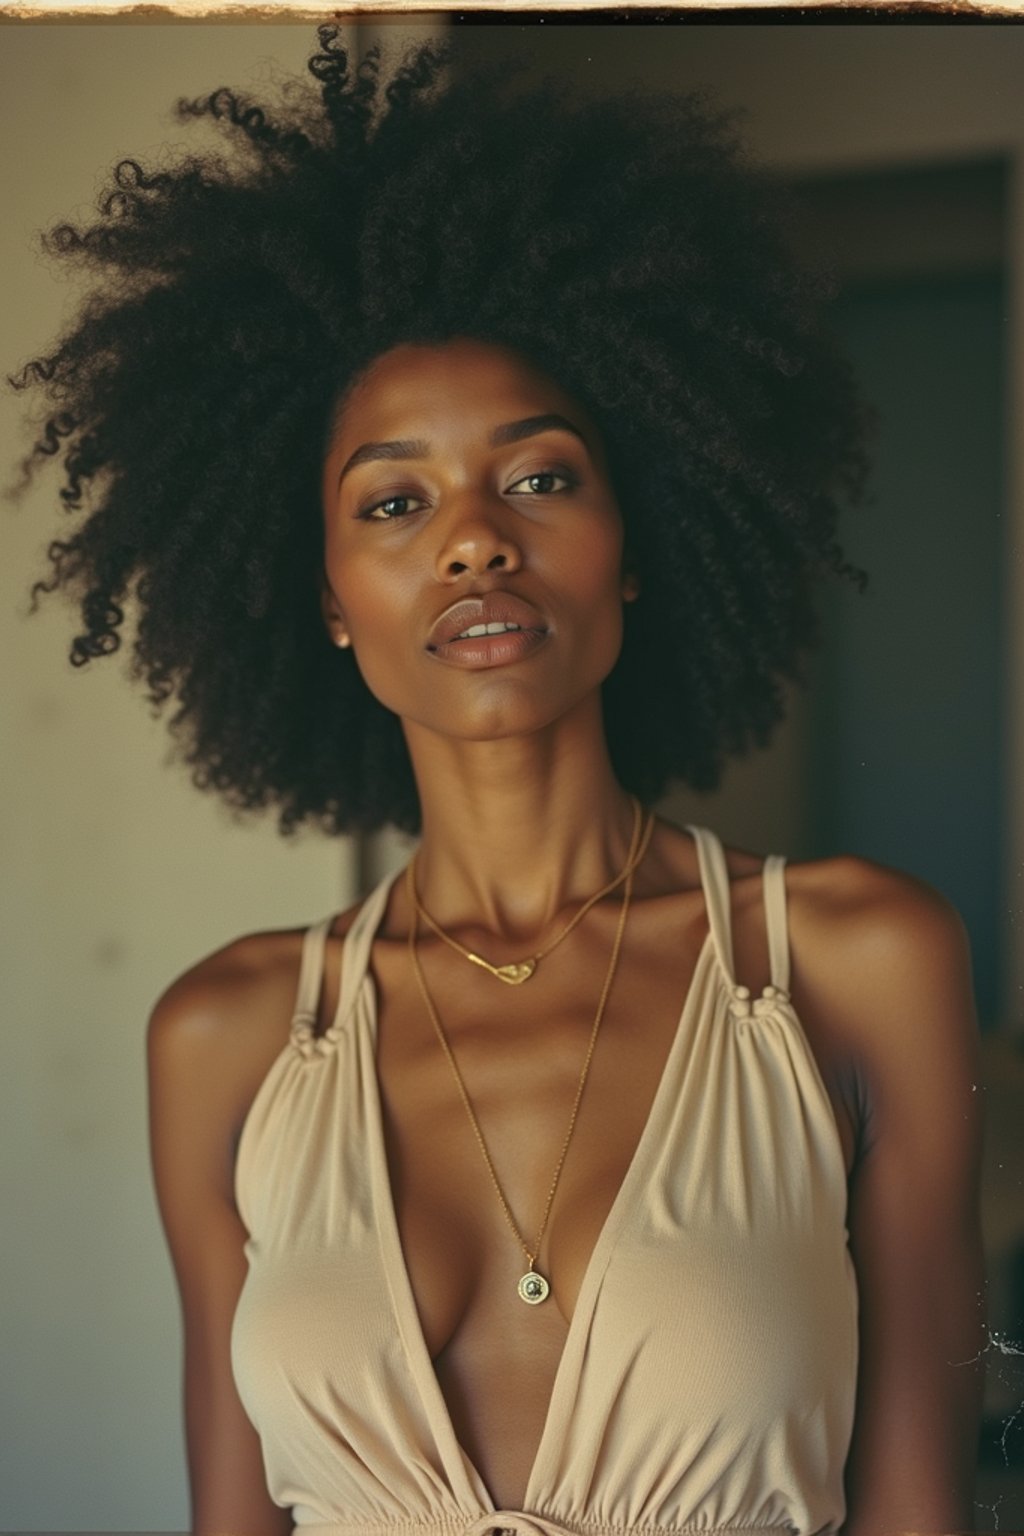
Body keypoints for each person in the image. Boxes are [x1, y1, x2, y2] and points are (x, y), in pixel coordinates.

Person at [13, 28, 986, 1536]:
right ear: (330, 598)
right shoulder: (226, 1039)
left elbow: (922, 1507)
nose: (474, 540)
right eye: (395, 501)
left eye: (538, 477)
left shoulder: (862, 964)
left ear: (639, 542)